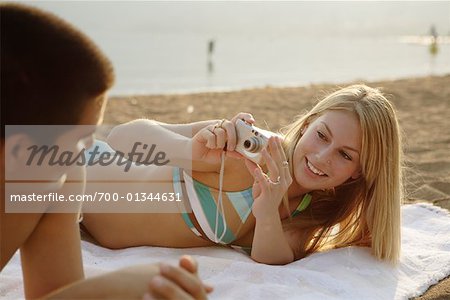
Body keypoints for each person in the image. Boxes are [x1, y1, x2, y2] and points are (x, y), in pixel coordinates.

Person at [0, 3, 211, 299]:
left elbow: (56, 292)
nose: (89, 148)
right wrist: (122, 283)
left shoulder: (60, 180)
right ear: (20, 152)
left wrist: (148, 285)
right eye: (81, 139)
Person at [82, 84, 403, 265]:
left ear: (357, 174)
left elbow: (274, 258)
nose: (321, 156)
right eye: (322, 135)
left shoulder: (308, 211)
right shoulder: (245, 152)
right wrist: (189, 153)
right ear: (307, 124)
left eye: (345, 155)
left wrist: (266, 215)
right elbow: (122, 137)